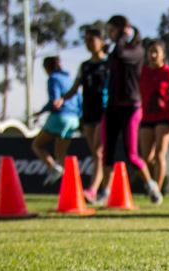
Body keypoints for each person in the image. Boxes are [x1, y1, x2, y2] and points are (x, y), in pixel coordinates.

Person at [101, 15, 162, 204]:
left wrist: (123, 37)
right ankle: (104, 192)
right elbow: (112, 59)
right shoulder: (115, 50)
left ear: (122, 30)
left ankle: (151, 186)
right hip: (112, 106)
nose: (109, 34)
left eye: (112, 31)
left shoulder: (137, 51)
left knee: (132, 155)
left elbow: (121, 55)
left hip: (131, 107)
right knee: (107, 153)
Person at [57, 28, 109, 201]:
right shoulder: (85, 66)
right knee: (96, 153)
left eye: (92, 40)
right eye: (86, 41)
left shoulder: (109, 64)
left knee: (99, 152)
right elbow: (74, 88)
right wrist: (62, 99)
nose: (89, 44)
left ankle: (93, 190)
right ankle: (104, 189)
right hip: (88, 113)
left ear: (101, 42)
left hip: (104, 112)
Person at [31, 56, 81, 186]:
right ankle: (71, 186)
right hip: (74, 119)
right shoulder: (69, 79)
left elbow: (55, 101)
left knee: (37, 145)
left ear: (47, 68)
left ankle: (53, 167)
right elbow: (79, 99)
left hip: (60, 117)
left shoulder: (53, 78)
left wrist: (41, 111)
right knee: (61, 154)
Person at [140, 40, 169, 196]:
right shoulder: (143, 72)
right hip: (146, 117)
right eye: (150, 51)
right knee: (146, 158)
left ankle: (157, 190)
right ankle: (151, 184)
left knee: (159, 154)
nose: (153, 55)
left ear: (163, 54)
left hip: (164, 117)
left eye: (156, 52)